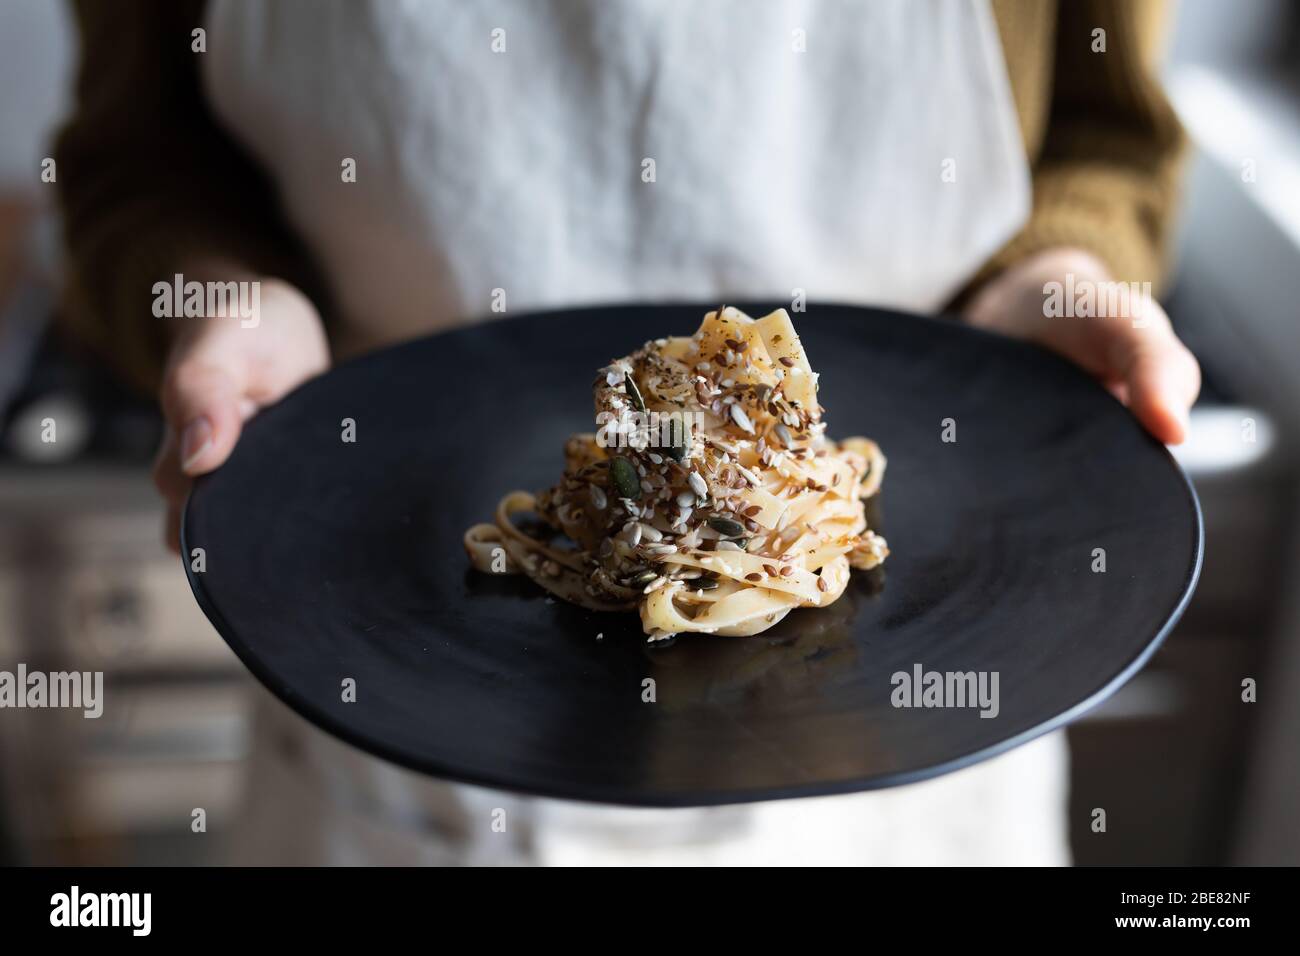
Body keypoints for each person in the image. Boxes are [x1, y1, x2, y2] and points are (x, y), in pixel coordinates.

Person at [54, 0, 1197, 865]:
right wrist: (214, 296)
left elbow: (1108, 137)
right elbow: (134, 162)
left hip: (924, 787)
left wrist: (1054, 276)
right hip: (395, 767)